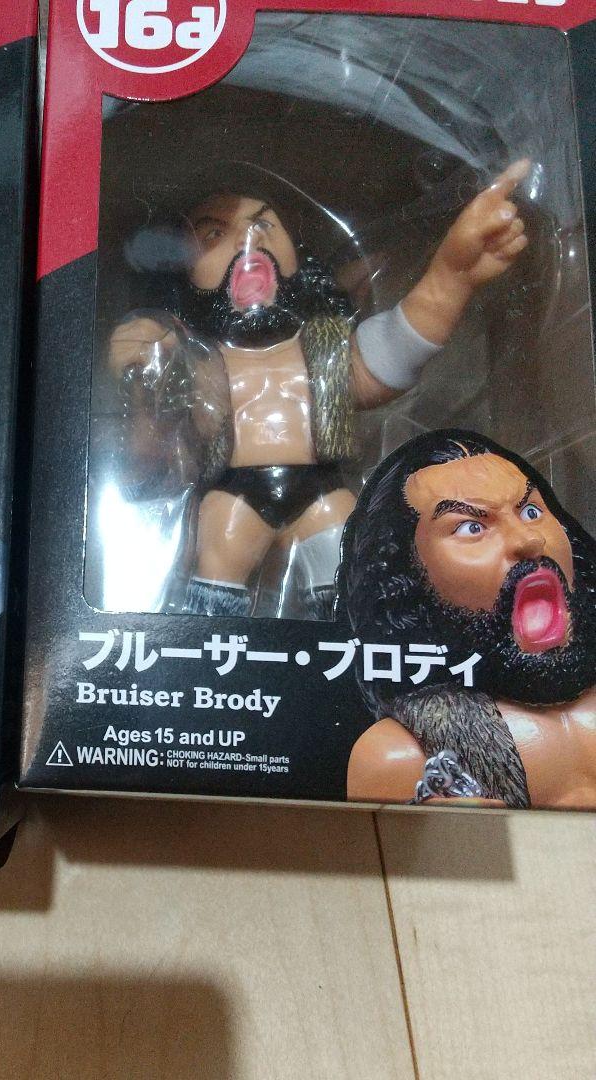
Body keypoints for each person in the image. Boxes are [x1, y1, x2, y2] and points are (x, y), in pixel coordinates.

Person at [109, 162, 531, 618]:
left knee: (345, 559)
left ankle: (345, 644)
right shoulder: (200, 360)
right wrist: (145, 370)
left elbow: (398, 343)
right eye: (214, 235)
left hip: (320, 490)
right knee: (217, 557)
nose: (249, 243)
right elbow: (152, 439)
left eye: (264, 226)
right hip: (233, 492)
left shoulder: (325, 349)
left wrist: (452, 274)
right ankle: (206, 647)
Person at [339, 429, 596, 809]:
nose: (528, 540)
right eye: (471, 527)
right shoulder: (401, 757)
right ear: (405, 574)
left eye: (531, 511)